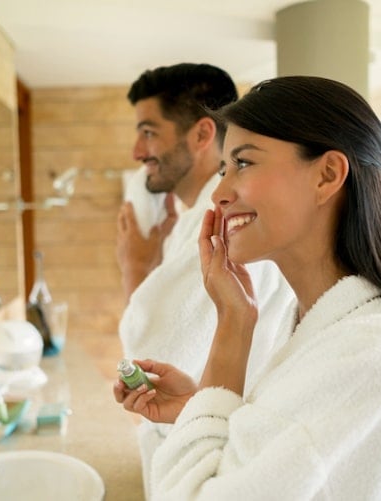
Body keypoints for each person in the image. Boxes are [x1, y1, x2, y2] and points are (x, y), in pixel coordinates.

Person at [114, 76, 381, 500]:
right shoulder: (316, 325)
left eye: (243, 163)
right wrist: (202, 402)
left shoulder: (369, 351)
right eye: (224, 168)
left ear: (328, 175)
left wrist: (229, 328)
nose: (220, 194)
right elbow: (285, 450)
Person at [115, 63, 293, 498]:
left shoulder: (222, 225)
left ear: (200, 135)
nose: (138, 151)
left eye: (149, 132)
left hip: (224, 460)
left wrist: (134, 267)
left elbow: (150, 357)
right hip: (207, 434)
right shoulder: (190, 219)